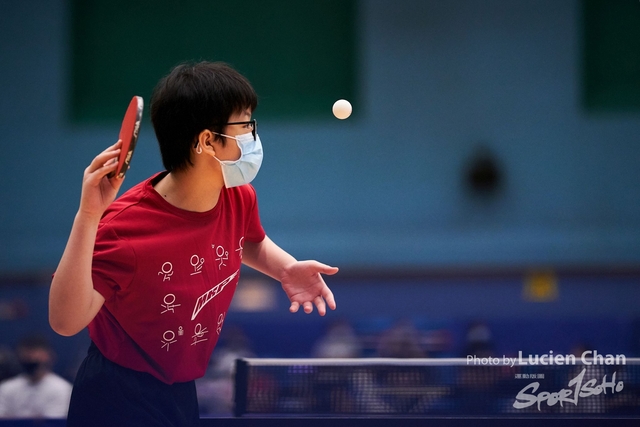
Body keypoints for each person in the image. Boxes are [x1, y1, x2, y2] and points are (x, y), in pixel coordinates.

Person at [48, 61, 338, 426]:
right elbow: (64, 322)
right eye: (245, 124)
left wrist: (285, 268)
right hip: (117, 393)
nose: (253, 134)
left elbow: (247, 240)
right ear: (206, 141)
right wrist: (88, 217)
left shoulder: (238, 197)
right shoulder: (126, 227)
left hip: (181, 387)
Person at [0, 334, 72, 419]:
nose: (30, 358)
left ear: (49, 356)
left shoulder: (62, 389)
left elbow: (53, 422)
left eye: (35, 354)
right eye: (26, 354)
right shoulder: (6, 388)